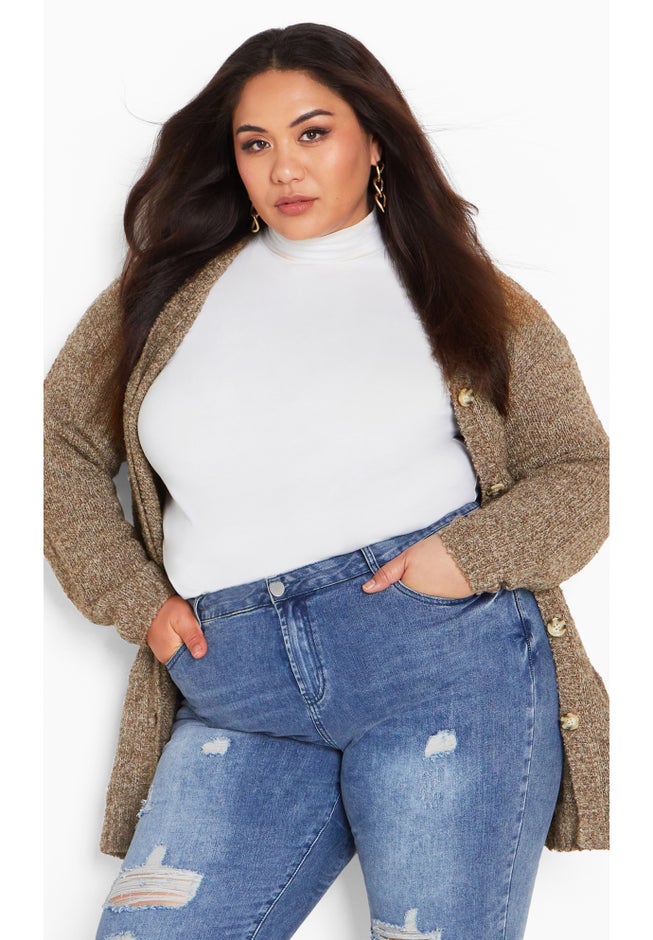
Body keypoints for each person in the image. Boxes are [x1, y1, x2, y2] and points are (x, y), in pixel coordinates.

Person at [43, 22, 609, 940]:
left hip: (439, 670)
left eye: (313, 133)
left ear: (374, 140)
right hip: (235, 688)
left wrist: (464, 560)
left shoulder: (470, 297)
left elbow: (578, 470)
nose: (283, 168)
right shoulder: (161, 297)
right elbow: (54, 442)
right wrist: (129, 596)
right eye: (254, 143)